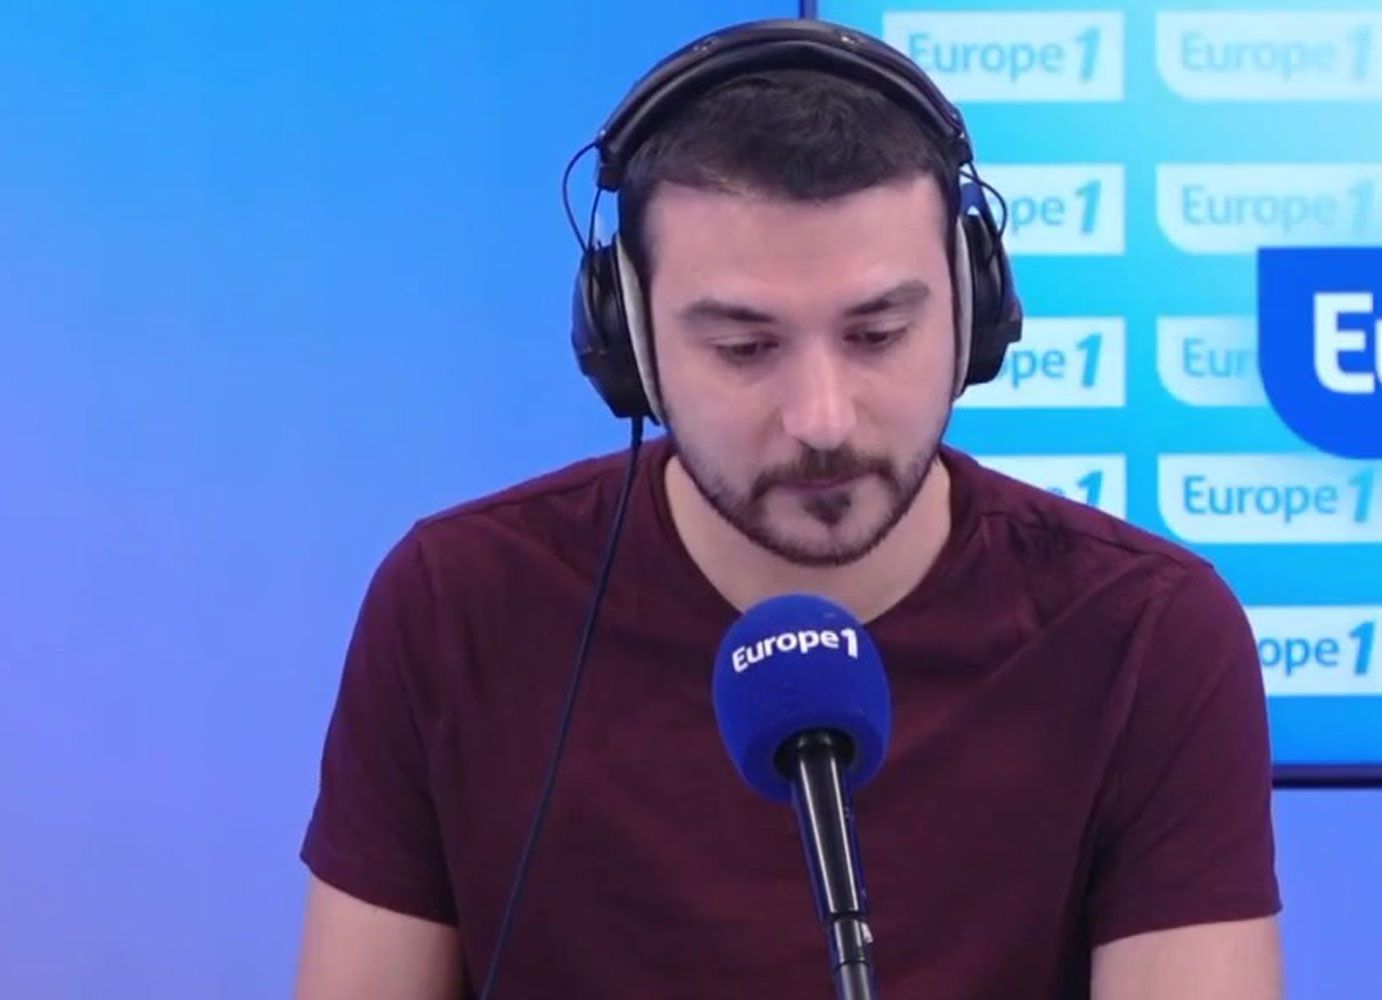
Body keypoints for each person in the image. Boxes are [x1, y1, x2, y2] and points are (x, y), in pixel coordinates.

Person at [293, 18, 1281, 1000]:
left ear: (971, 307)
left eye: (877, 334)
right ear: (629, 340)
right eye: (745, 349)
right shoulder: (458, 605)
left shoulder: (1145, 635)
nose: (822, 419)